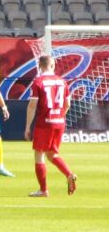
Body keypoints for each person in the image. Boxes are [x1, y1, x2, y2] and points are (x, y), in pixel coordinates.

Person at [25, 53, 77, 198]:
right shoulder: (62, 81)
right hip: (59, 122)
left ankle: (43, 190)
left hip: (45, 123)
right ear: (53, 65)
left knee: (39, 154)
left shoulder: (38, 82)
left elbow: (32, 105)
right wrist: (59, 116)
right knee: (52, 154)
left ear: (40, 66)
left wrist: (27, 126)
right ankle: (69, 174)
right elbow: (68, 104)